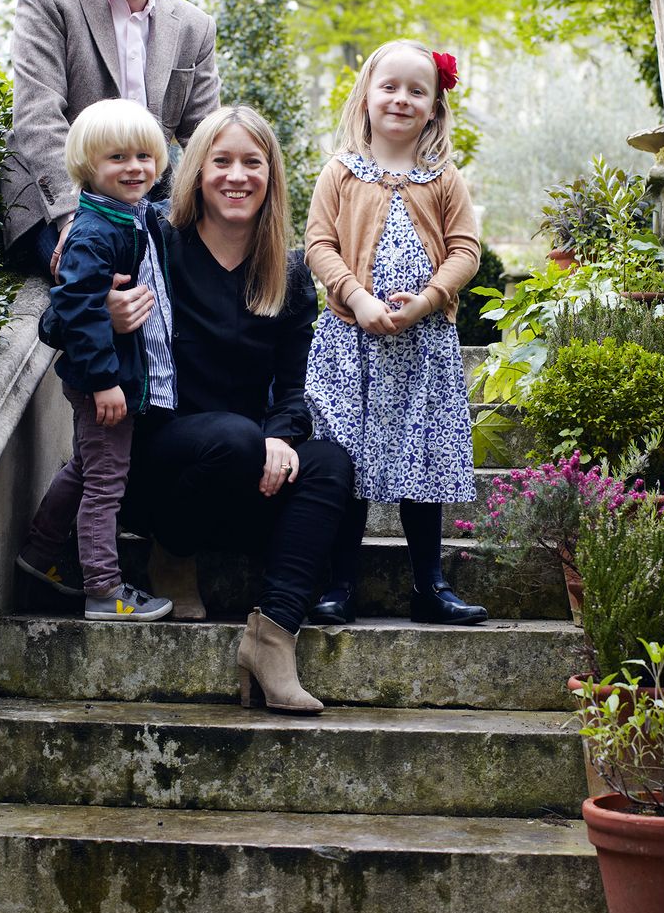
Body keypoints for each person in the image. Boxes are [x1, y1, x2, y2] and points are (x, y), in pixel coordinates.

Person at [91, 105, 354, 713]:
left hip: (243, 465)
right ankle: (169, 551)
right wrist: (104, 312)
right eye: (223, 161)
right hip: (163, 465)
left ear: (271, 176)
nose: (238, 176)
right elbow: (60, 316)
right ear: (197, 172)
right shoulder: (155, 240)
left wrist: (285, 437)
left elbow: (293, 390)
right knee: (235, 437)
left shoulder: (286, 272)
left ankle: (274, 638)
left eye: (253, 163)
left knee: (331, 463)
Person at [303, 40, 488, 627]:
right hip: (348, 343)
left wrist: (428, 301)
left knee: (422, 455)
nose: (401, 100)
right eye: (390, 87)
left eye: (417, 91)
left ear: (435, 107)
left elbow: (465, 250)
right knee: (347, 458)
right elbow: (318, 245)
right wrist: (356, 298)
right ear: (366, 97)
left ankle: (429, 585)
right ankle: (339, 584)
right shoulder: (339, 172)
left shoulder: (443, 178)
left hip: (423, 343)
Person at [2, 0, 220, 275]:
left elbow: (203, 135)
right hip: (66, 196)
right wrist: (72, 219)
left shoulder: (195, 25)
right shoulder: (47, 0)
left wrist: (228, 210)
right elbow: (37, 116)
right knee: (103, 271)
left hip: (151, 196)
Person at [17, 99, 173, 623]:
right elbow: (78, 312)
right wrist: (107, 382)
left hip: (111, 375)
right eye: (118, 159)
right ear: (89, 166)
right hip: (104, 380)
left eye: (145, 157)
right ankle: (105, 590)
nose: (135, 168)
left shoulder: (128, 218)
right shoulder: (92, 231)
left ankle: (39, 553)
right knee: (107, 483)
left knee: (86, 468)